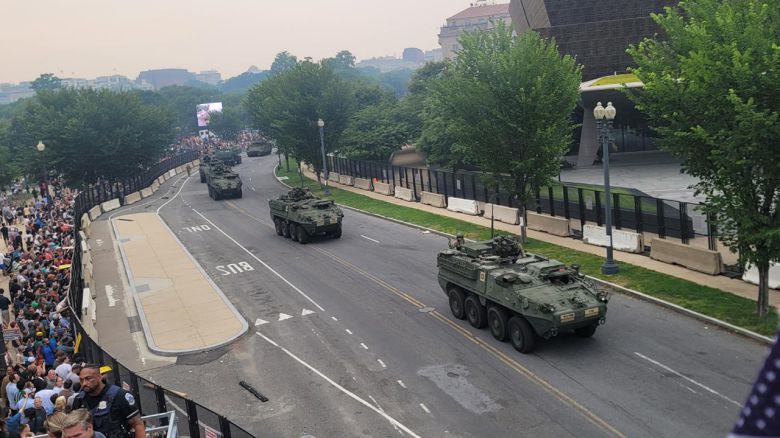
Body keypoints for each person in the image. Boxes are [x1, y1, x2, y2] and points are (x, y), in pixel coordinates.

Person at [70, 365, 143, 438]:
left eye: (88, 379)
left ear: (99, 377)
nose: (84, 383)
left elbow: (137, 423)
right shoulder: (79, 399)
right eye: (81, 380)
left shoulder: (119, 395)